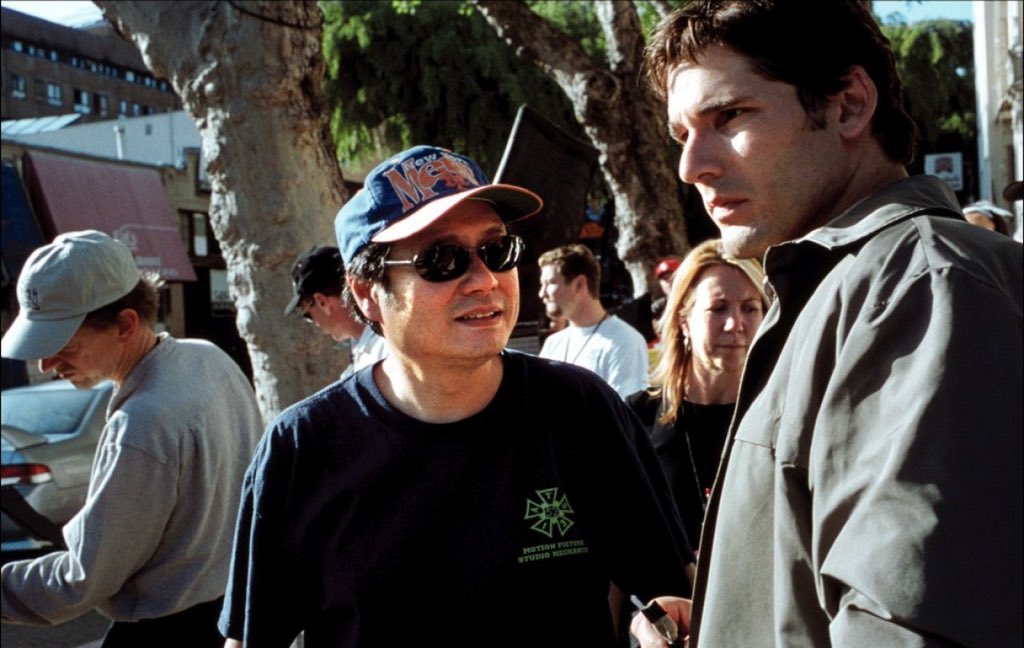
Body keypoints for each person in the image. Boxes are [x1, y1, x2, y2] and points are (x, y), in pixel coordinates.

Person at [632, 1, 1023, 646]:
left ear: (848, 104)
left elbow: (908, 625)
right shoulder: (838, 285)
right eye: (682, 134)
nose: (691, 166)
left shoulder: (921, 284)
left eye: (727, 116)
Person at [219, 145, 694, 647]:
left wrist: (652, 623)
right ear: (366, 293)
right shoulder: (302, 449)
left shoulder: (581, 409)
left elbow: (666, 588)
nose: (485, 279)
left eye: (497, 251)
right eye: (441, 260)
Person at [0, 230, 262, 646]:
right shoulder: (207, 357)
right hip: (233, 613)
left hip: (167, 631)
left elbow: (81, 580)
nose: (46, 363)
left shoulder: (141, 423)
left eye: (63, 344)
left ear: (124, 324)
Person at [626, 239, 768, 546]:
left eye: (750, 308)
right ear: (684, 321)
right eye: (718, 308)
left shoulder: (785, 416)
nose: (735, 324)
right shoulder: (636, 418)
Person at [537, 244, 650, 398]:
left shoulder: (624, 341)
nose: (541, 293)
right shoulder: (553, 344)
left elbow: (623, 414)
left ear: (580, 284)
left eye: (550, 283)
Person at [284, 244, 388, 376]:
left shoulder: (385, 345)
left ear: (322, 301)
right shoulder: (363, 346)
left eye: (307, 314)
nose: (314, 322)